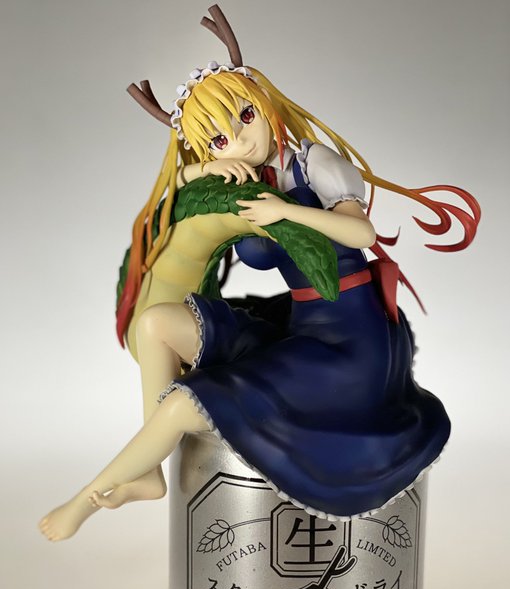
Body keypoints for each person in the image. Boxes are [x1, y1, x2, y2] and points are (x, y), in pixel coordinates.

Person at [39, 61, 479, 541]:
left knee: (183, 406)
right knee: (154, 323)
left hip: (352, 345)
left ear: (264, 103)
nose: (241, 141)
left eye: (245, 117)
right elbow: (180, 182)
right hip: (301, 327)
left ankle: (85, 499)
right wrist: (208, 167)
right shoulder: (249, 177)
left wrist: (288, 211)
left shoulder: (313, 162)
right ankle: (147, 474)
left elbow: (361, 233)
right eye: (219, 139)